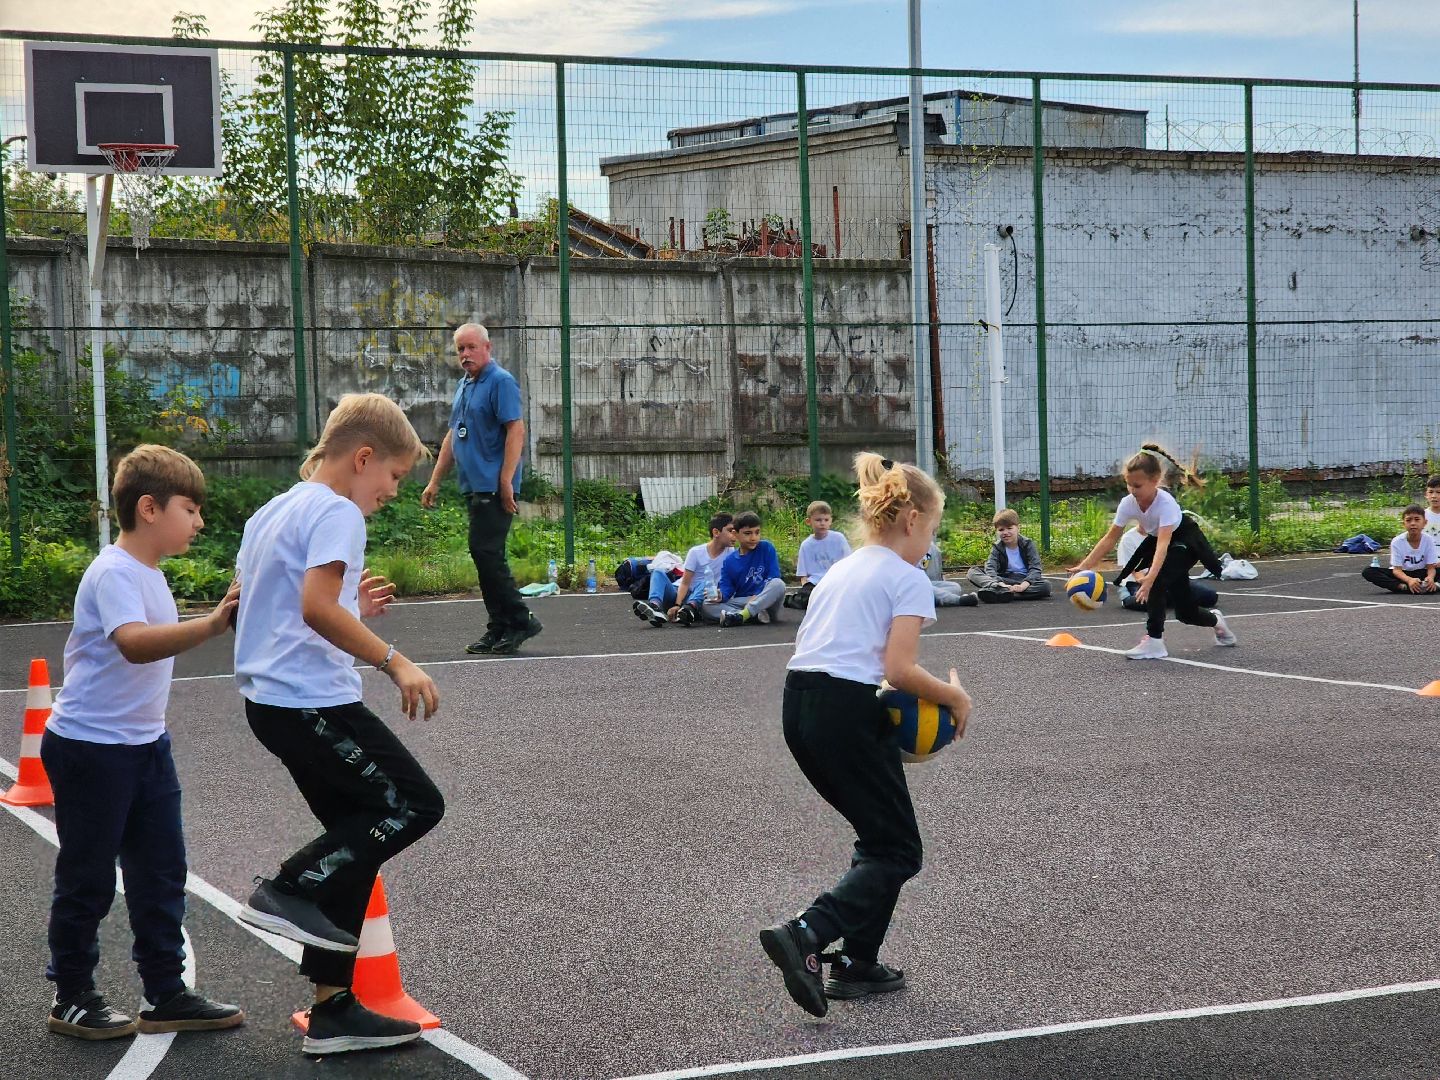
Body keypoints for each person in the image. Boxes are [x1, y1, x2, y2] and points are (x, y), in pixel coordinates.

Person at [234, 394, 446, 1057]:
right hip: (310, 702)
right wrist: (393, 660)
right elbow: (315, 607)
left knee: (360, 838)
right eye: (395, 475)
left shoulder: (273, 511)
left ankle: (333, 1009)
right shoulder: (337, 512)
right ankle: (288, 887)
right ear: (363, 458)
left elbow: (268, 607)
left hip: (271, 703)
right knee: (414, 804)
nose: (393, 491)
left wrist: (350, 608)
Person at [42, 445, 244, 1040]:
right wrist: (211, 625)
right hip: (91, 749)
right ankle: (72, 995)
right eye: (191, 508)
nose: (199, 522)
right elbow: (133, 643)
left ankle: (166, 993)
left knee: (161, 873)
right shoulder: (113, 573)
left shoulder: (150, 573)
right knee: (88, 878)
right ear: (150, 509)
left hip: (145, 746)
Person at [760, 454, 971, 1017]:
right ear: (911, 520)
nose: (930, 543)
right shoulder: (907, 578)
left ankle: (857, 963)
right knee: (899, 849)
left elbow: (837, 655)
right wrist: (954, 697)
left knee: (881, 839)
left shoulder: (842, 568)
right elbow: (898, 671)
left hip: (798, 707)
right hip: (845, 710)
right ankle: (807, 932)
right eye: (932, 530)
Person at [421, 322, 541, 655]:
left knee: (485, 552)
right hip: (472, 486)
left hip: (494, 486)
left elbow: (516, 431)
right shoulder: (465, 384)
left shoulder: (500, 381)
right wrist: (434, 481)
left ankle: (520, 620)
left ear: (487, 348)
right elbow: (453, 434)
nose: (465, 354)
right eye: (460, 348)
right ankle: (499, 627)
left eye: (471, 347)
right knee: (485, 555)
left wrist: (506, 481)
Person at [1070, 443, 1235, 660]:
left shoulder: (1165, 504)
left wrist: (1149, 579)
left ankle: (1155, 641)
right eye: (1128, 484)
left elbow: (1163, 545)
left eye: (1137, 485)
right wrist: (1084, 566)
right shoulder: (1128, 503)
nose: (1132, 490)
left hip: (1185, 541)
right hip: (1161, 542)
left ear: (1155, 480)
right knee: (1186, 613)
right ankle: (1216, 621)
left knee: (1156, 580)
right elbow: (1110, 538)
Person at [1114, 524, 1218, 612]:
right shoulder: (1128, 539)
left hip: (1167, 581)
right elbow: (1137, 574)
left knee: (1209, 597)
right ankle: (1127, 597)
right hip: (1139, 583)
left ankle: (1168, 598)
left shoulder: (1166, 535)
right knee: (1148, 603)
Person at [712, 511, 787, 627]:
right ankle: (750, 616)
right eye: (748, 533)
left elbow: (773, 575)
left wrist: (758, 595)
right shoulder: (729, 560)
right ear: (735, 534)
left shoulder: (766, 548)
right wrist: (720, 595)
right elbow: (727, 587)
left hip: (765, 600)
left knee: (778, 584)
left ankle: (741, 615)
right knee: (706, 605)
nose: (753, 538)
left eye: (757, 532)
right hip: (744, 601)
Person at [667, 513, 737, 626]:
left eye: (735, 531)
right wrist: (677, 604)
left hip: (701, 595)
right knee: (657, 573)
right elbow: (685, 583)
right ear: (716, 532)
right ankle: (655, 606)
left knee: (707, 583)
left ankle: (689, 609)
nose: (734, 535)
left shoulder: (731, 552)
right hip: (682, 592)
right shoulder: (696, 552)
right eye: (730, 531)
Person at [966, 508, 1051, 602]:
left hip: (1023, 580)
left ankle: (1000, 593)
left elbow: (1035, 568)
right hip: (1003, 580)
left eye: (1009, 528)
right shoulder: (997, 547)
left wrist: (1024, 585)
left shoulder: (1028, 544)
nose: (1005, 533)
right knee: (972, 572)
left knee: (1045, 586)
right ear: (997, 531)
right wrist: (999, 584)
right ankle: (999, 589)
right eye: (1001, 530)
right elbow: (990, 568)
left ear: (1018, 528)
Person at [786, 501, 851, 610]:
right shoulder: (806, 545)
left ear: (831, 521)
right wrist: (805, 588)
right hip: (815, 583)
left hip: (836, 581)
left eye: (826, 520)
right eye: (818, 520)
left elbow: (849, 563)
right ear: (809, 521)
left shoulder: (839, 539)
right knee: (807, 598)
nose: (822, 523)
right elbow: (803, 575)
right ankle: (793, 599)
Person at [1361, 504, 1438, 595]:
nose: (1413, 523)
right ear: (1403, 524)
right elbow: (1397, 570)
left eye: (1417, 519)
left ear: (1424, 523)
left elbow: (1431, 567)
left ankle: (1434, 586)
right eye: (1408, 520)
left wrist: (1430, 578)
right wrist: (1409, 580)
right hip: (1402, 575)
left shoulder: (1429, 540)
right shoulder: (1397, 541)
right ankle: (1403, 587)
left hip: (1422, 573)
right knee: (1369, 571)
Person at [629, 550, 686, 628]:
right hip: (676, 590)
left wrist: (678, 605)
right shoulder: (692, 558)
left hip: (687, 598)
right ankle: (655, 606)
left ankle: (688, 610)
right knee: (657, 571)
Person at [921, 540, 977, 607]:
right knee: (924, 589)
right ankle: (957, 600)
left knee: (955, 587)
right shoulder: (921, 545)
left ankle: (934, 598)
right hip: (916, 584)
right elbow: (921, 567)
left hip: (929, 583)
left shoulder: (931, 545)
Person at [1425, 475, 1440, 542]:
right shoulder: (1420, 517)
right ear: (1426, 494)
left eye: (1438, 492)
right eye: (1431, 492)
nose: (1434, 496)